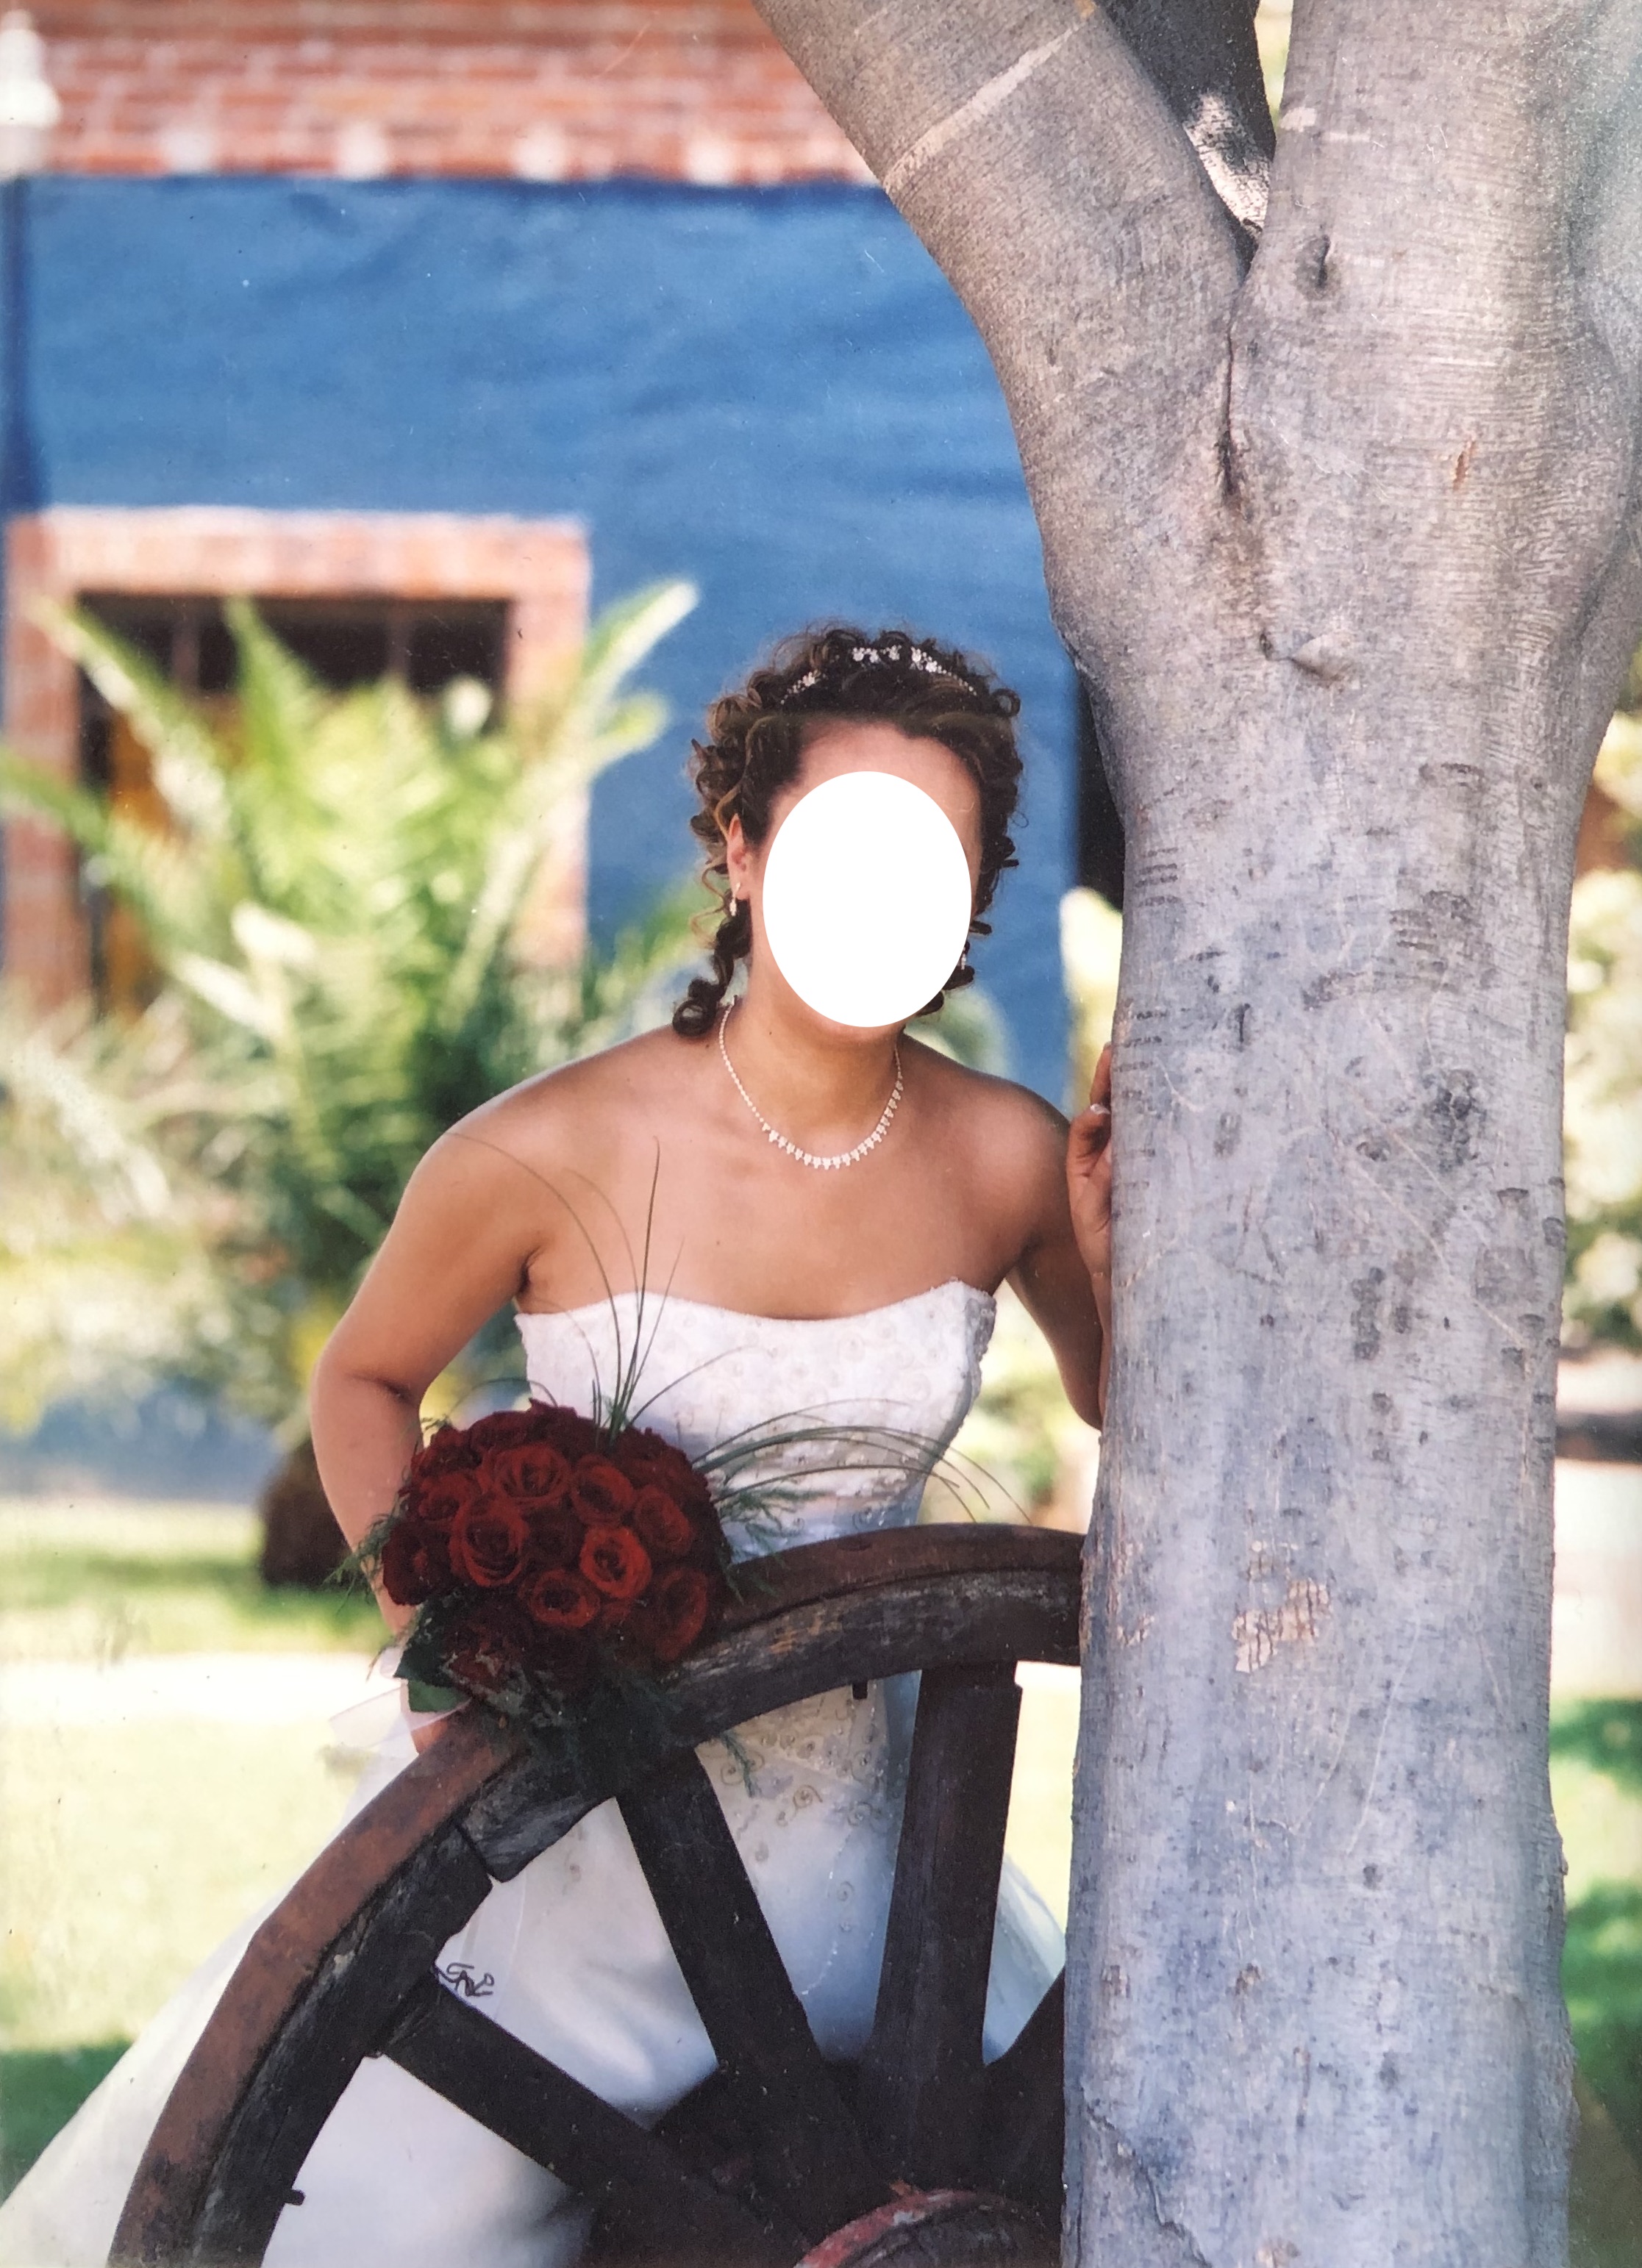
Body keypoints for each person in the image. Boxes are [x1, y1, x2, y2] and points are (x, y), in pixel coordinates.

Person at [0, 625, 1115, 2268]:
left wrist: (1107, 1239)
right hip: (578, 1828)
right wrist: (450, 1630)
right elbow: (365, 1377)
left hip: (873, 1860)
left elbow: (1111, 1394)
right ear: (742, 850)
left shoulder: (1006, 1159)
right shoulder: (546, 1147)